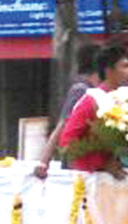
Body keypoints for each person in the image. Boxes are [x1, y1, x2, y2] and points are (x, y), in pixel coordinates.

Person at [56, 45, 128, 176]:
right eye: (125, 66)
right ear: (109, 71)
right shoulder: (90, 101)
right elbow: (67, 143)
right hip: (91, 178)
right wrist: (102, 163)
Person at [34, 42, 102, 180]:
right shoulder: (81, 90)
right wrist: (43, 161)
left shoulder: (99, 90)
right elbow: (63, 124)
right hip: (78, 163)